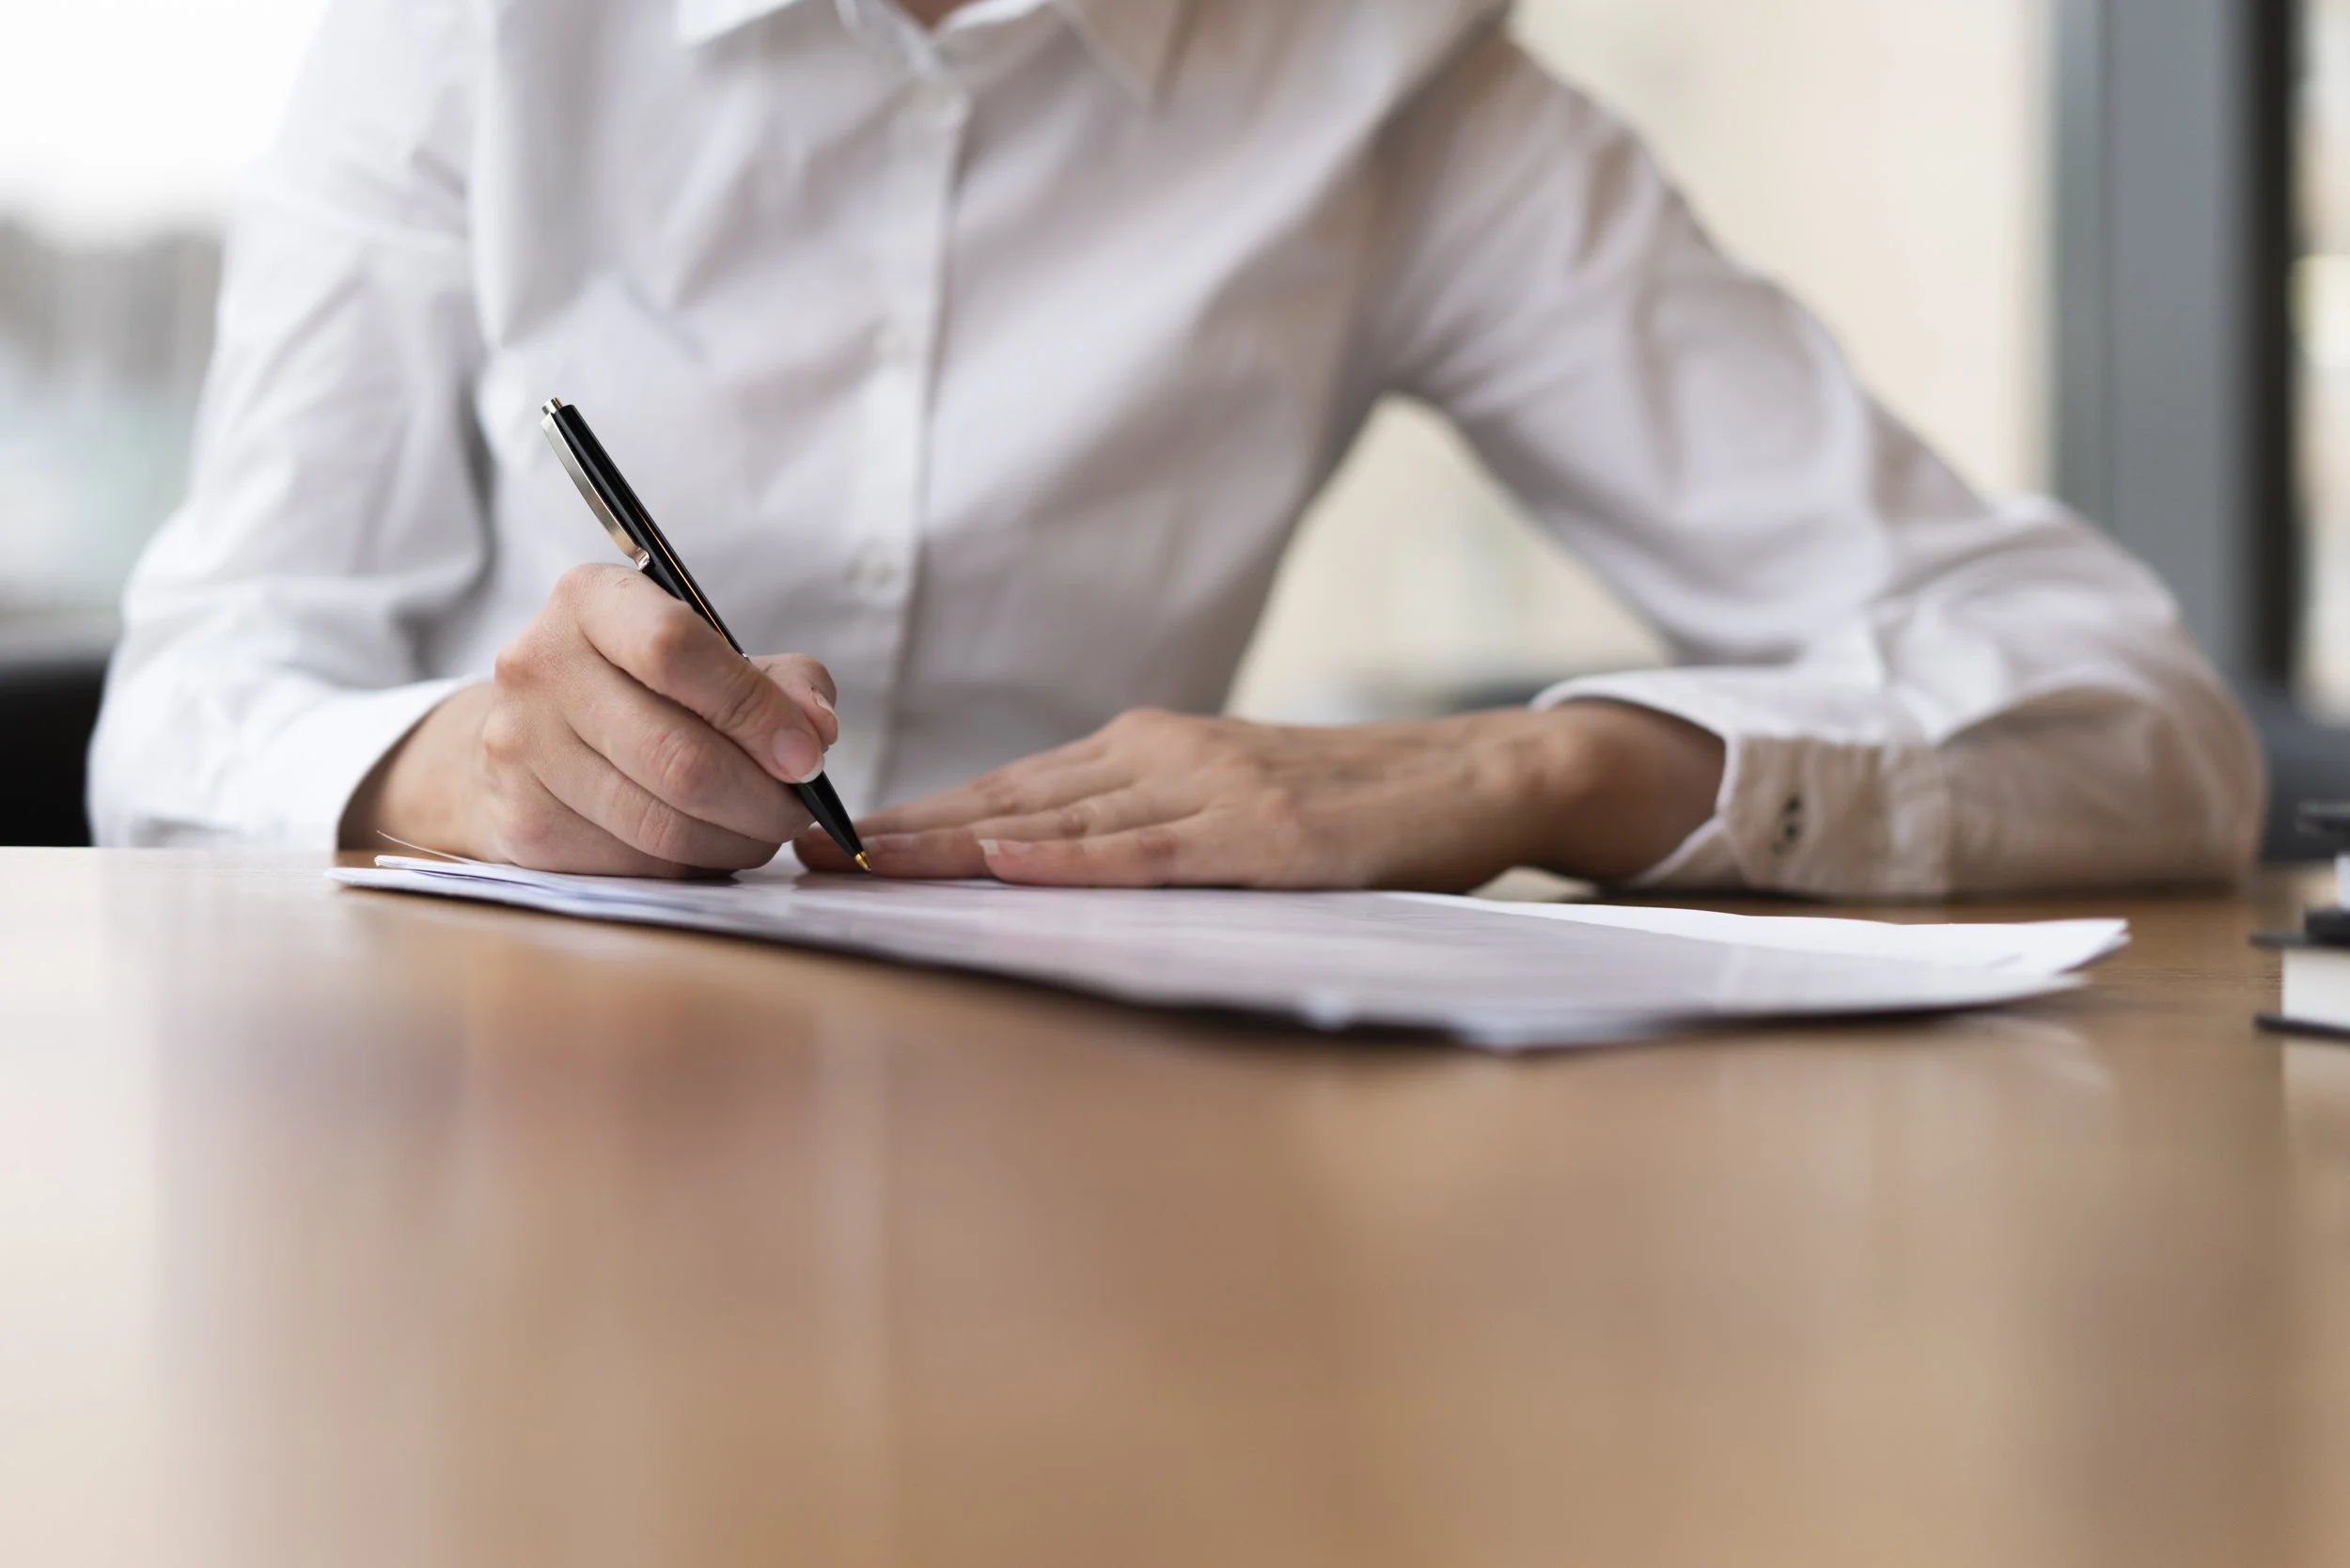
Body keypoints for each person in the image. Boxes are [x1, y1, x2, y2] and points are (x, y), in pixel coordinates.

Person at [89, 0, 2264, 898]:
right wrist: (453, 776)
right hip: (499, 1129)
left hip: (1130, 1172)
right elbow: (184, 714)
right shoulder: (467, 32)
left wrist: (1536, 770)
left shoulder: (1393, 90)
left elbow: (2134, 720)